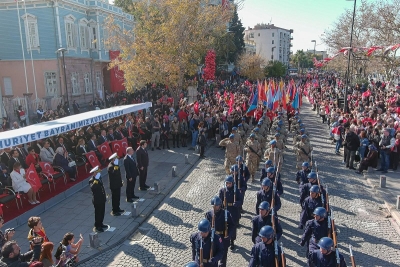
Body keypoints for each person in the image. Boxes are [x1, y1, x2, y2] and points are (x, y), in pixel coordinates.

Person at [205, 196, 235, 267]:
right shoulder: (209, 214)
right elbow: (206, 226)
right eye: (214, 206)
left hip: (223, 237)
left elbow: (232, 225)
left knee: (223, 257)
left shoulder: (226, 213)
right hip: (213, 237)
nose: (216, 207)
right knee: (212, 257)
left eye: (217, 206)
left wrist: (229, 235)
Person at [218, 175, 242, 250]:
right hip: (225, 210)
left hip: (233, 211)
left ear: (232, 183)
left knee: (233, 227)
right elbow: (220, 200)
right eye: (227, 183)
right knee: (224, 226)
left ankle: (232, 240)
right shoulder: (222, 190)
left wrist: (237, 203)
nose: (228, 185)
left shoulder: (236, 190)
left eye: (230, 183)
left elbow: (240, 200)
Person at [89, 166, 107, 232]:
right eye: (97, 172)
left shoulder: (99, 178)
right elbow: (93, 188)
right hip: (97, 200)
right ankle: (97, 226)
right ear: (94, 173)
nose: (99, 173)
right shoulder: (91, 180)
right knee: (98, 213)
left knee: (102, 212)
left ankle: (101, 223)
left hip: (102, 198)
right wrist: (96, 180)